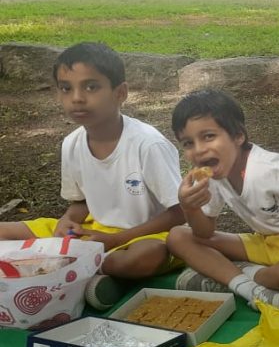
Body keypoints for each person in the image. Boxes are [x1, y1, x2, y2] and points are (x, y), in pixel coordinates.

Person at [0, 42, 185, 310]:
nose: (77, 98)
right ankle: (93, 273)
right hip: (94, 232)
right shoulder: (72, 144)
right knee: (3, 231)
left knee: (147, 256)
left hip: (143, 236)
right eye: (66, 88)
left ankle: (79, 272)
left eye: (91, 87)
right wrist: (67, 221)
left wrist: (117, 240)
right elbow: (81, 202)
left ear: (120, 93)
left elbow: (179, 212)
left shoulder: (148, 144)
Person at [167, 89, 279, 313]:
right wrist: (190, 208)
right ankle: (250, 289)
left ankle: (236, 274)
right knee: (178, 236)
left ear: (238, 136)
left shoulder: (269, 168)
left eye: (208, 136)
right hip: (267, 241)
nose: (199, 149)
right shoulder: (213, 176)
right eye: (188, 143)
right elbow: (204, 233)